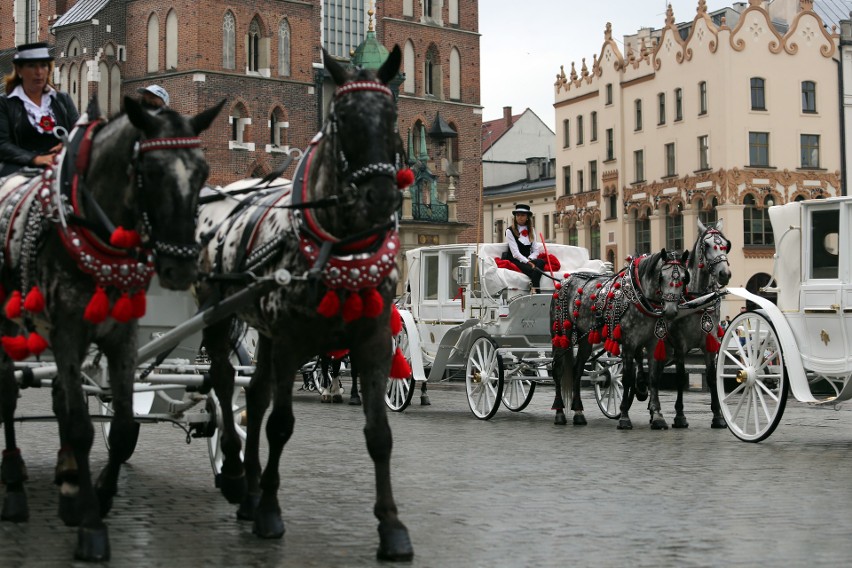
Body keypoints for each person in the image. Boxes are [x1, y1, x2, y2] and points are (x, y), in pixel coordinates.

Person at [0, 42, 79, 177]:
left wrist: (65, 145)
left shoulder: (62, 100)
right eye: (32, 66)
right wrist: (35, 159)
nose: (39, 72)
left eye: (43, 65)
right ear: (19, 70)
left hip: (62, 166)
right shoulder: (5, 103)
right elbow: (2, 145)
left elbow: (78, 133)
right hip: (19, 170)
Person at [505, 203, 546, 292]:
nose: (520, 217)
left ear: (527, 217)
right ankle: (536, 291)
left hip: (528, 259)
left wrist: (530, 259)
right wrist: (528, 262)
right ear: (515, 217)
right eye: (518, 215)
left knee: (541, 262)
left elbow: (536, 250)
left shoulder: (531, 230)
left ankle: (534, 288)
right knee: (533, 270)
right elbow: (515, 253)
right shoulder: (509, 231)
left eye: (523, 215)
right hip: (515, 259)